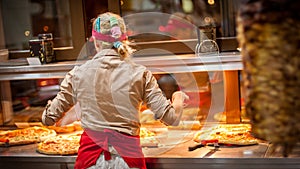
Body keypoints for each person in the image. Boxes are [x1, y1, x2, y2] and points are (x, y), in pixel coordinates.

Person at [41, 12, 188, 169]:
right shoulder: (140, 74)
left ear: (95, 42)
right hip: (129, 161)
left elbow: (48, 119)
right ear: (124, 40)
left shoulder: (77, 74)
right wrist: (177, 97)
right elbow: (172, 119)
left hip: (90, 161)